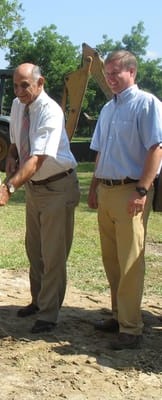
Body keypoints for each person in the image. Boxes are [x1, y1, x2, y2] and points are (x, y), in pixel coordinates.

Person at [0, 63, 80, 334]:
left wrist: (8, 188)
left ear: (40, 83)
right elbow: (18, 139)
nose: (19, 91)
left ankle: (49, 314)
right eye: (16, 86)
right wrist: (11, 155)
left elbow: (38, 159)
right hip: (35, 188)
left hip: (57, 187)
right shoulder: (20, 105)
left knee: (53, 254)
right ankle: (38, 300)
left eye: (25, 86)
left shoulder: (50, 111)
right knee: (35, 249)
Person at [88, 50, 162, 350]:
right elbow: (100, 152)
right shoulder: (108, 109)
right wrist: (94, 188)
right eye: (107, 73)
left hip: (131, 191)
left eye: (116, 72)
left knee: (131, 260)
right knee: (112, 259)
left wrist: (142, 190)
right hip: (106, 191)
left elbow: (156, 148)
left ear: (132, 72)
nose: (110, 78)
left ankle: (131, 328)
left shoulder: (147, 104)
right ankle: (119, 316)